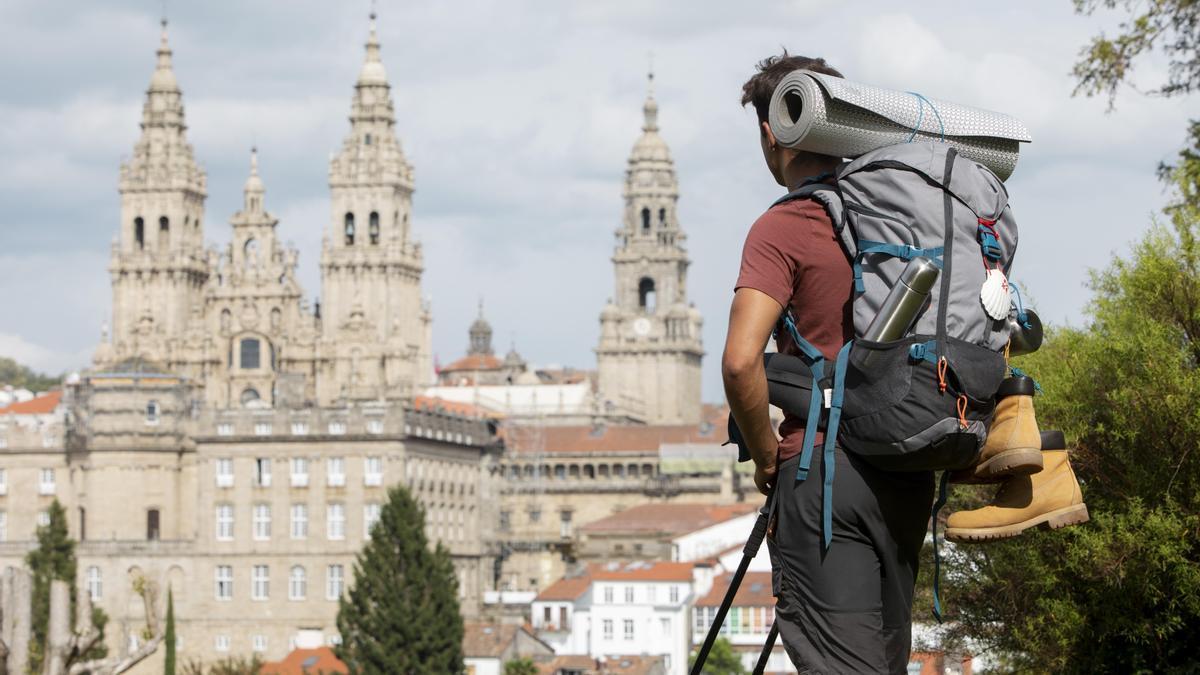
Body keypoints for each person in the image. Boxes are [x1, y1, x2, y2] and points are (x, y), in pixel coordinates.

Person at [722, 53, 935, 673]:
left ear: (772, 132)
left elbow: (741, 364)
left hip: (825, 475)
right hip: (904, 469)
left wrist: (765, 454)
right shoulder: (895, 216)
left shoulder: (786, 225)